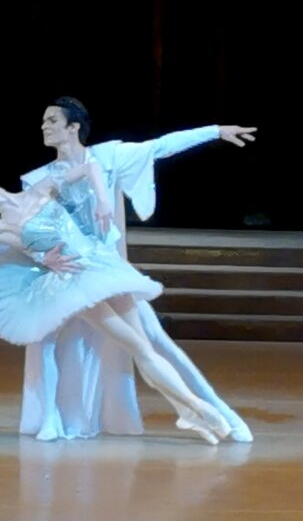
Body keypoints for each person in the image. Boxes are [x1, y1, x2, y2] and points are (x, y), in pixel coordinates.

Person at [0, 166, 233, 444]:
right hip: (74, 283)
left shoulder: (40, 190)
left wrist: (103, 202)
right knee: (136, 346)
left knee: (144, 347)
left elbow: (89, 167)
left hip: (102, 265)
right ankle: (196, 407)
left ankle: (187, 411)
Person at [15, 96, 256, 442]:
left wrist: (215, 131)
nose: (44, 126)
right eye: (43, 120)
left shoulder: (107, 156)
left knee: (155, 342)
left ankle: (219, 413)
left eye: (52, 120)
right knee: (47, 342)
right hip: (69, 276)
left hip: (109, 274)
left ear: (73, 127)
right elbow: (29, 232)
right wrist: (43, 260)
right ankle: (51, 418)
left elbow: (160, 146)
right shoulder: (38, 179)